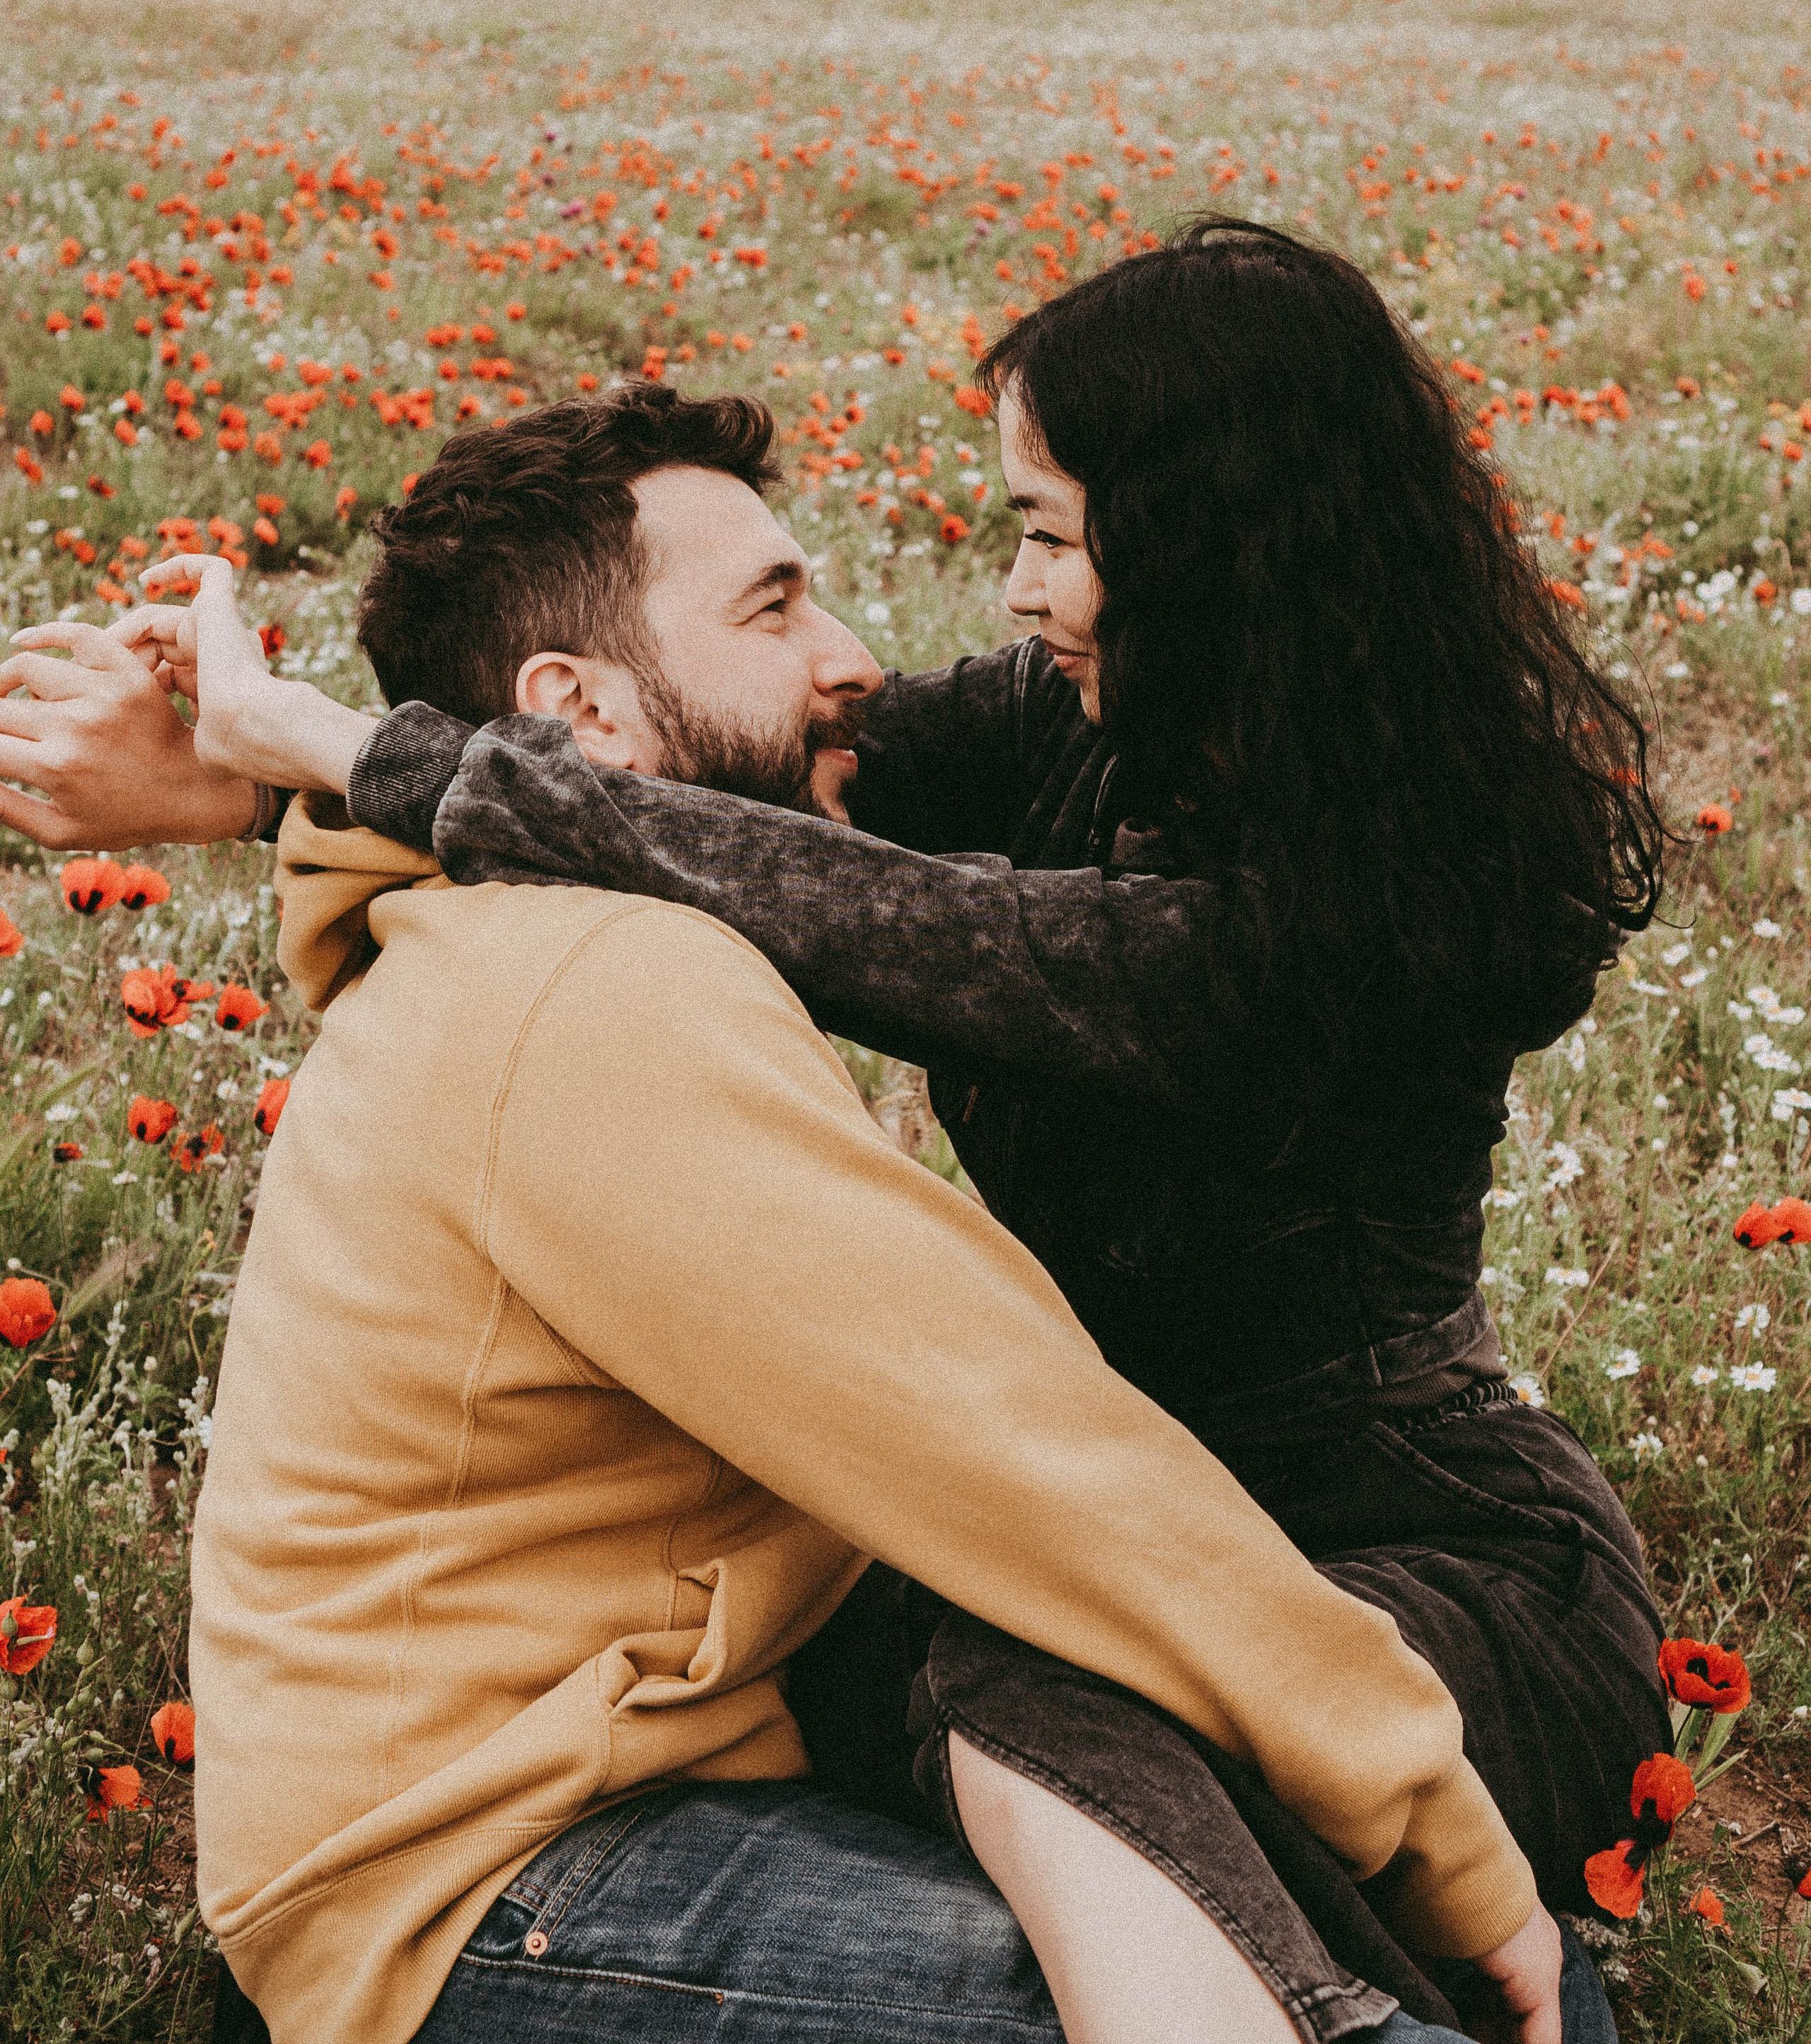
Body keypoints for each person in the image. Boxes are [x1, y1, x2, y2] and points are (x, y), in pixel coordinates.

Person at [25, 389, 1558, 2044]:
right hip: (489, 1882)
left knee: (1266, 1944)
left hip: (658, 1761)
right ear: (577, 712)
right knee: (1334, 2002)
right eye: (773, 607)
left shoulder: (526, 932)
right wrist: (1442, 1836)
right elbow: (1013, 1448)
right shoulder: (591, 991)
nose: (853, 661)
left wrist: (272, 788)